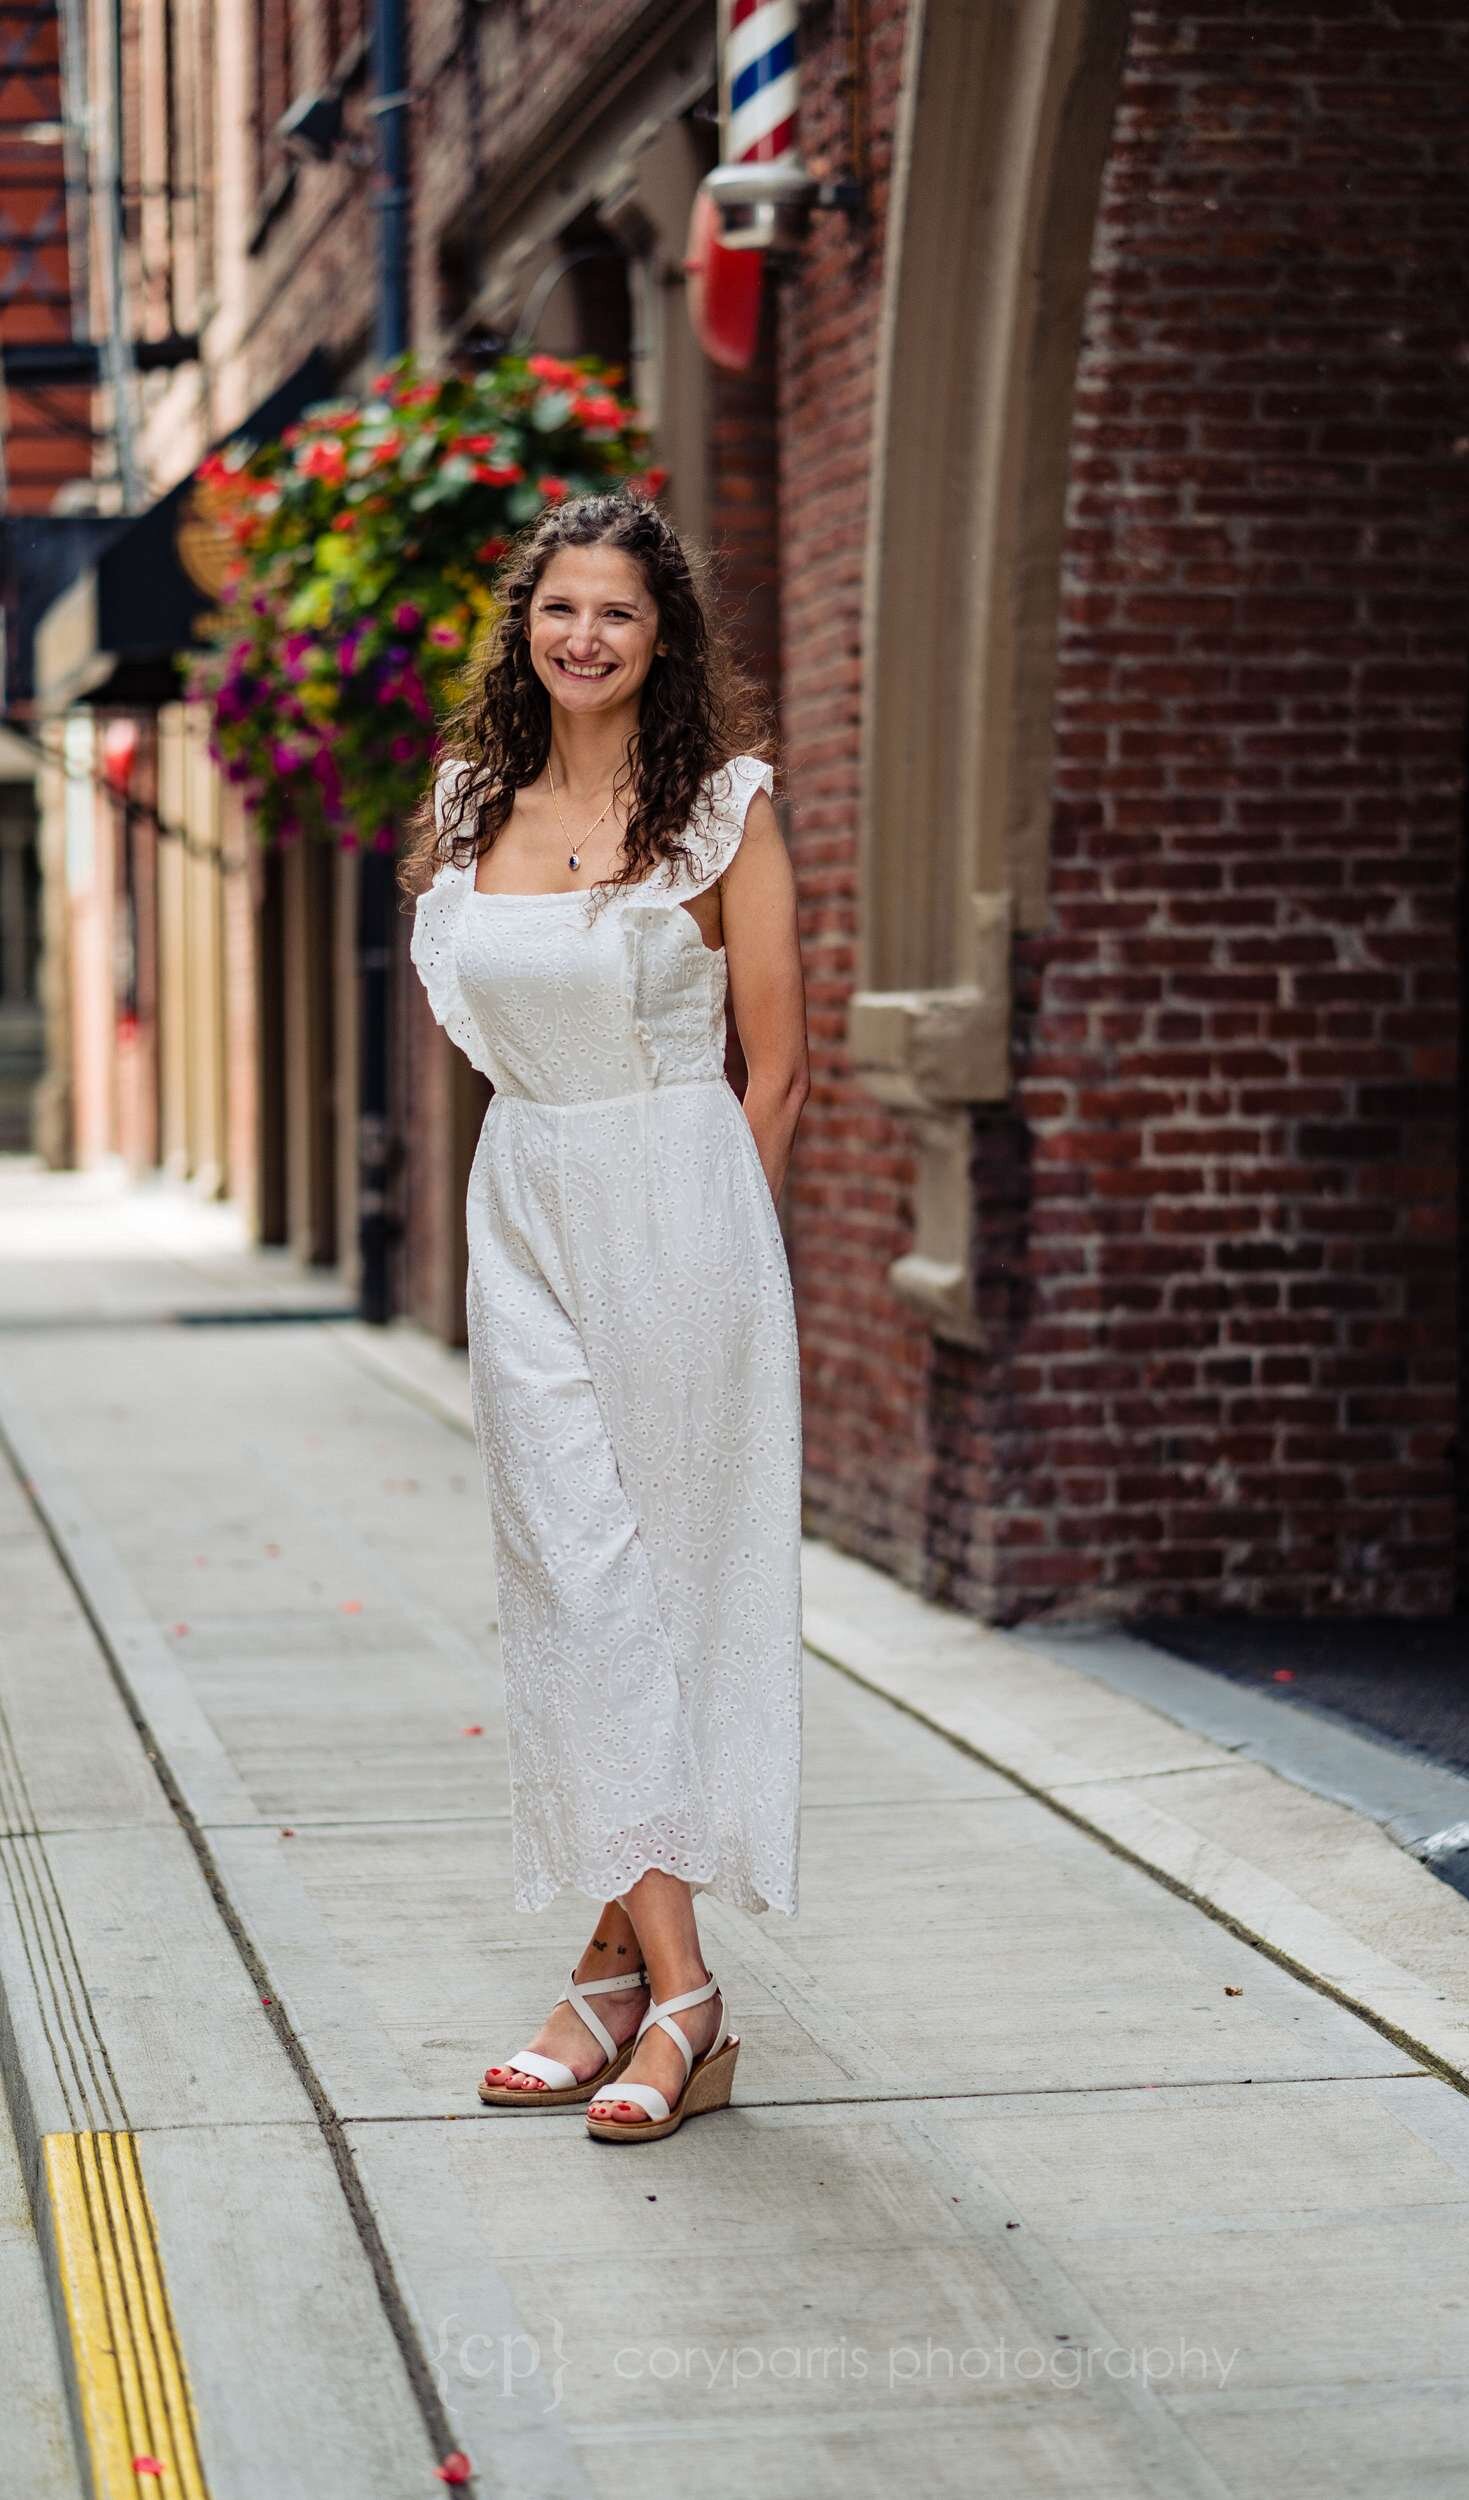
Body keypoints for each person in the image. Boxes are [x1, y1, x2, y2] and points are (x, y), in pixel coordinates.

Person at [403, 489, 809, 2143]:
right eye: (559, 609)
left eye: (618, 615)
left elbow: (774, 1066)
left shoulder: (723, 813)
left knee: (662, 1602)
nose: (584, 636)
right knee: (576, 1592)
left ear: (663, 639)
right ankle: (660, 1988)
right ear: (528, 627)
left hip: (683, 1210)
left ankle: (646, 1997)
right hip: (532, 1207)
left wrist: (726, 1256)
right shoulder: (467, 801)